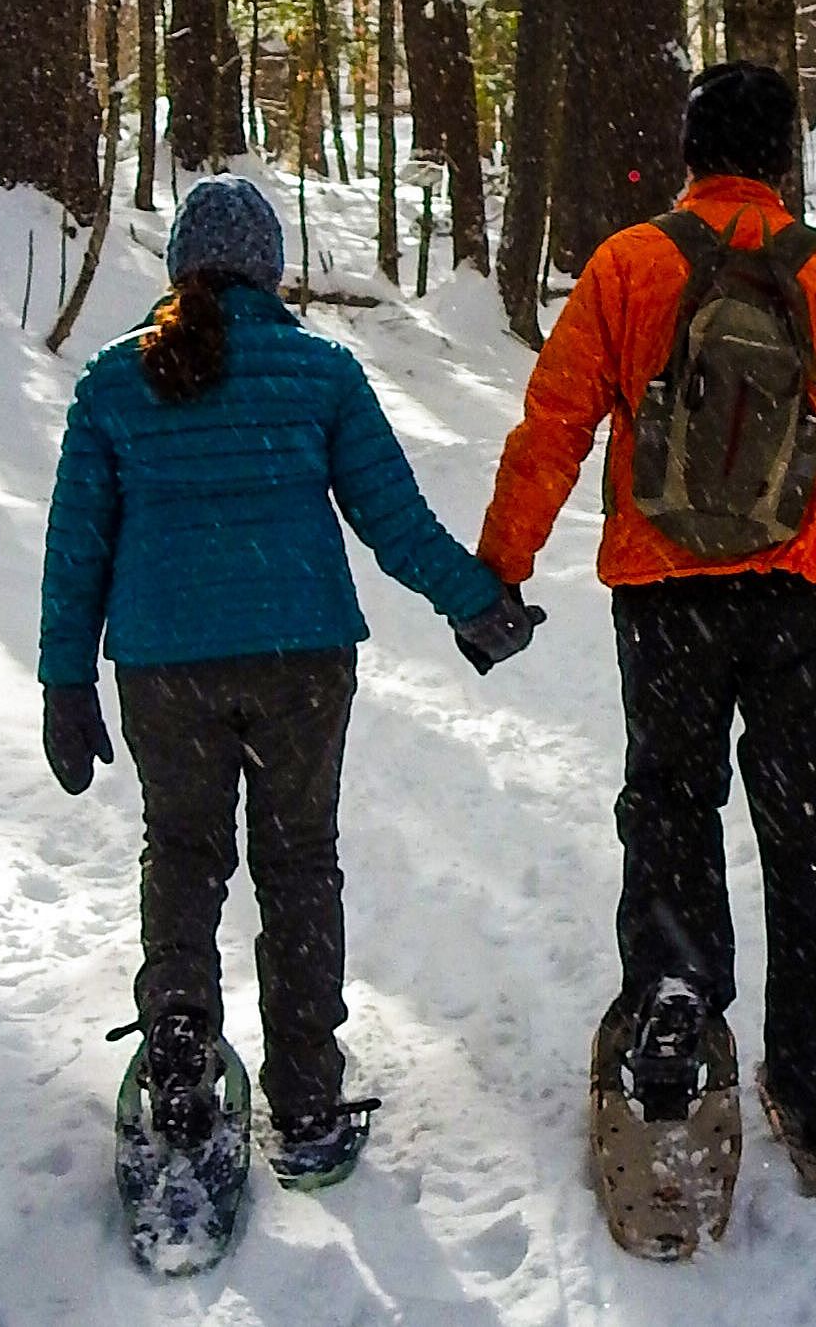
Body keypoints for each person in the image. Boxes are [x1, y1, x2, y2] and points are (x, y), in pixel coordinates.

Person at [477, 60, 816, 1205]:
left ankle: (674, 1014)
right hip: (810, 596)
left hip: (666, 595)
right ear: (783, 158)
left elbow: (553, 426)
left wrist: (499, 571)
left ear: (690, 153)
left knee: (673, 806)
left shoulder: (629, 266)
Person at [39, 174, 541, 1190]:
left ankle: (181, 1043)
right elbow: (394, 518)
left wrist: (65, 681)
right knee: (298, 864)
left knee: (183, 854)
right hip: (300, 660)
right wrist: (475, 603)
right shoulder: (321, 372)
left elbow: (75, 549)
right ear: (270, 271)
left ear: (180, 266)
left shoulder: (112, 381)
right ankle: (307, 1095)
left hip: (164, 663)